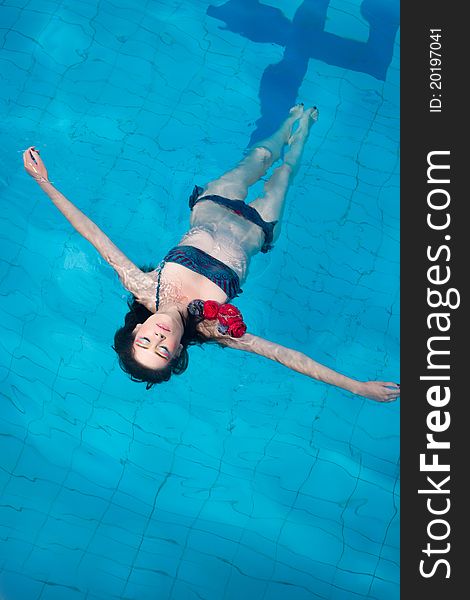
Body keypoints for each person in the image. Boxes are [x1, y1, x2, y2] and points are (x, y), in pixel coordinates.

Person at [23, 105, 400, 402]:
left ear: (136, 328)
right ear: (176, 354)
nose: (158, 337)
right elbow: (285, 356)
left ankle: (289, 124)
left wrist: (44, 183)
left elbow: (92, 234)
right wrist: (356, 387)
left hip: (212, 206)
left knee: (262, 155)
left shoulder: (144, 286)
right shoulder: (212, 329)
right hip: (259, 227)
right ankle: (302, 135)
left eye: (145, 342)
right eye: (163, 350)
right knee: (284, 173)